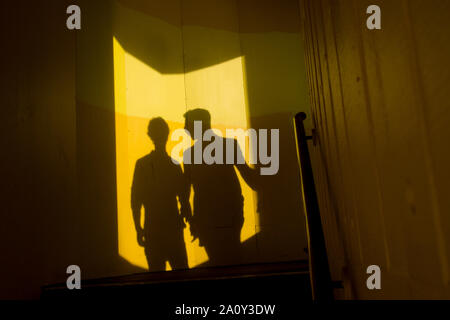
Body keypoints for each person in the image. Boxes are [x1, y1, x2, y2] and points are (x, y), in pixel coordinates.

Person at [182, 109, 257, 266]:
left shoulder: (189, 154)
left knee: (217, 262)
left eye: (187, 125)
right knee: (234, 258)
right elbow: (250, 178)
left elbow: (185, 191)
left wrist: (190, 219)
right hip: (230, 213)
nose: (185, 129)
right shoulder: (229, 145)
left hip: (205, 218)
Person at [131, 117, 191, 271]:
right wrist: (191, 221)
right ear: (167, 135)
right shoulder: (174, 165)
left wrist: (138, 228)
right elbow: (184, 200)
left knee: (156, 277)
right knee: (182, 274)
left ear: (149, 135)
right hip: (173, 228)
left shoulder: (142, 164)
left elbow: (136, 201)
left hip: (152, 227)